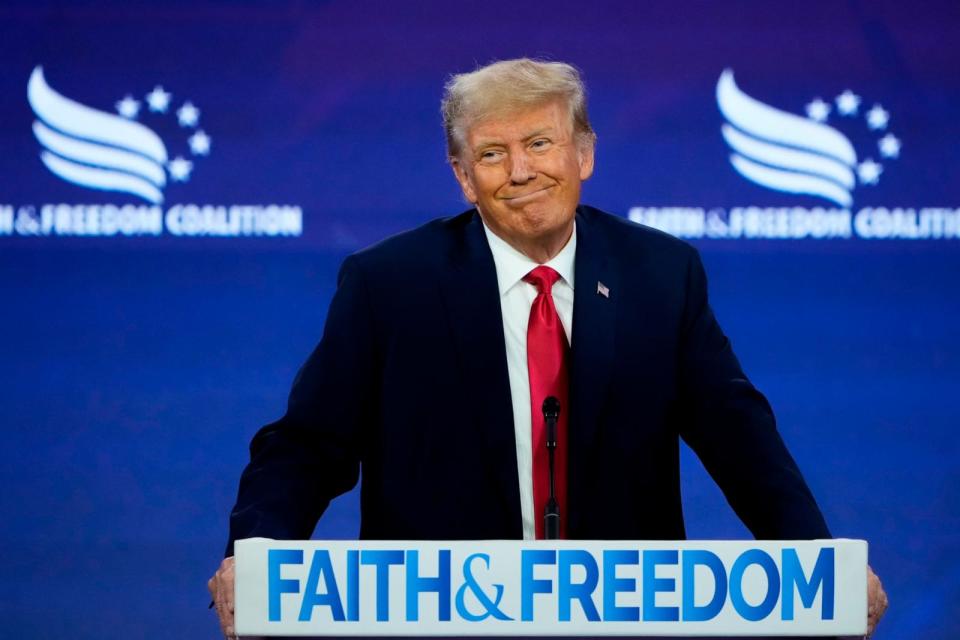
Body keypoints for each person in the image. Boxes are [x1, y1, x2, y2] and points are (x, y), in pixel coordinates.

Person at [209, 58, 888, 638]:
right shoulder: (390, 285)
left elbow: (740, 440)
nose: (520, 171)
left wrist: (819, 564)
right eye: (492, 154)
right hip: (438, 623)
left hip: (621, 622)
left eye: (540, 143)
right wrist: (256, 555)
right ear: (463, 176)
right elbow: (307, 445)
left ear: (584, 154)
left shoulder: (659, 275)